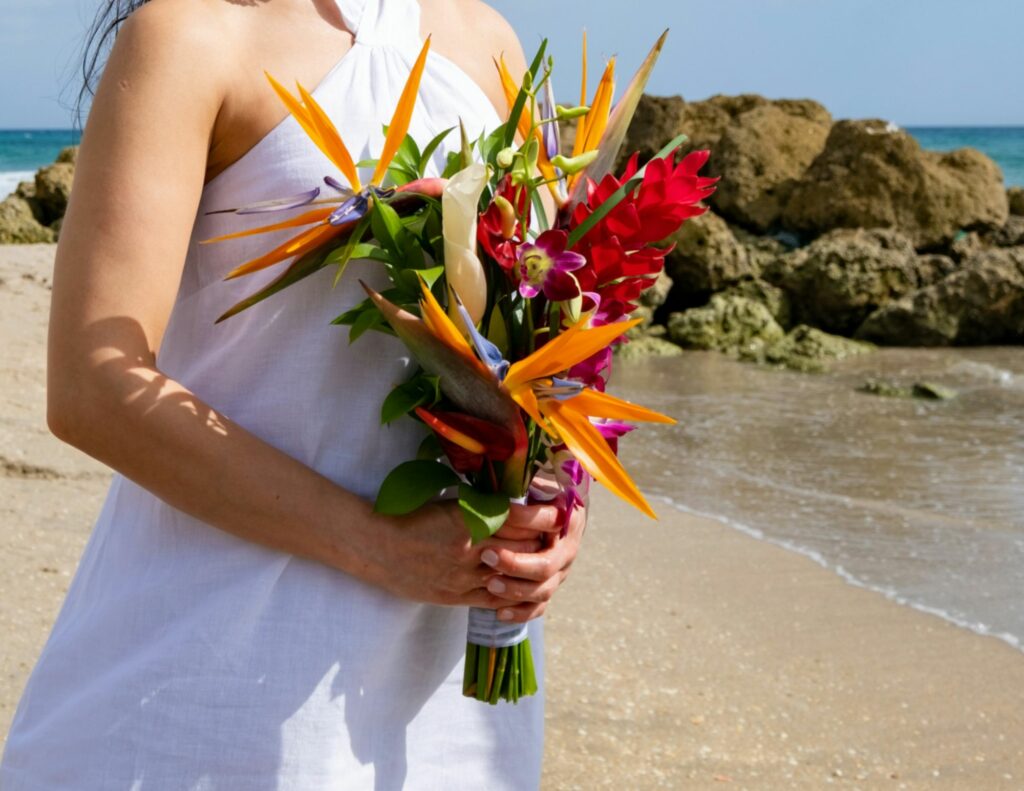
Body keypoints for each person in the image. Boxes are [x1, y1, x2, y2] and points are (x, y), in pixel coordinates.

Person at [0, 0, 586, 788]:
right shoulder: (192, 34)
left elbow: (549, 338)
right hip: (216, 675)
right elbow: (91, 386)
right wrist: (374, 544)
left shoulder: (491, 43)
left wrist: (558, 509)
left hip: (453, 693)